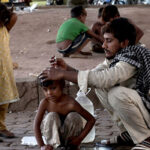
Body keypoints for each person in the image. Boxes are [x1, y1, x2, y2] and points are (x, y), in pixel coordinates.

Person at [39, 18, 150, 150]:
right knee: (100, 87)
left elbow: (106, 78)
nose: (103, 46)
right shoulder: (118, 56)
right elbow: (93, 77)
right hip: (145, 110)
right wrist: (67, 69)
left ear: (124, 43)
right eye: (104, 40)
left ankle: (145, 139)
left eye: (109, 41)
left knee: (116, 94)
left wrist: (63, 75)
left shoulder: (132, 56)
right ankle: (130, 134)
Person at [34, 77, 95, 150]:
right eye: (45, 89)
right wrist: (42, 146)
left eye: (53, 88)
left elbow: (91, 120)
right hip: (53, 141)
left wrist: (79, 139)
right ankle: (54, 146)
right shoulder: (45, 103)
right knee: (51, 116)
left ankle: (71, 147)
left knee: (74, 116)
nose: (49, 93)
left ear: (62, 86)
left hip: (70, 140)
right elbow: (36, 124)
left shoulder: (71, 103)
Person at [0, 3, 19, 141]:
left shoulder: (4, 28)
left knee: (4, 101)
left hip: (4, 70)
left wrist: (5, 12)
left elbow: (14, 16)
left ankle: (1, 127)